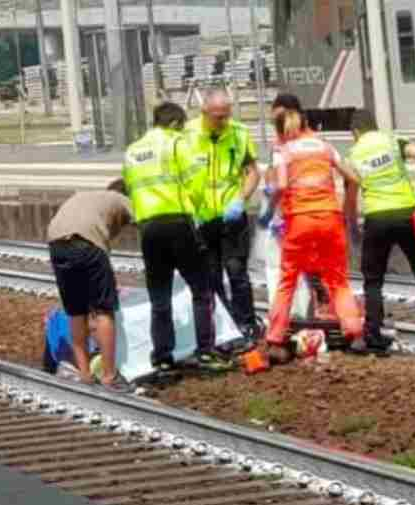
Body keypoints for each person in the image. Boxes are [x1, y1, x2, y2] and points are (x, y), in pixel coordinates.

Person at [122, 101, 228, 378]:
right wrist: (202, 214)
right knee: (201, 289)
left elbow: (131, 188)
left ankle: (163, 358)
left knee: (160, 297)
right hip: (178, 224)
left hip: (148, 228)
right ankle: (205, 350)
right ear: (174, 124)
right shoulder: (176, 144)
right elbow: (196, 182)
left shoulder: (132, 151)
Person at [259, 108, 364, 363]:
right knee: (337, 279)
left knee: (288, 280)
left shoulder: (284, 152)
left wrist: (270, 209)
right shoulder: (325, 147)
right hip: (330, 218)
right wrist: (348, 208)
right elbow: (353, 178)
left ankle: (274, 338)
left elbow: (282, 185)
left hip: (299, 221)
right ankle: (354, 334)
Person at [347, 110, 415, 354]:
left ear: (356, 132)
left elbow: (350, 194)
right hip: (406, 213)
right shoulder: (393, 140)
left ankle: (373, 329)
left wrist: (352, 224)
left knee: (373, 279)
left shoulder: (353, 154)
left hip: (377, 218)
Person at [184, 89, 261, 342]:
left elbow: (252, 172)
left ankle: (247, 323)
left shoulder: (238, 133)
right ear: (203, 112)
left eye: (225, 116)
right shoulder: (188, 135)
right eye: (217, 117)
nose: (222, 122)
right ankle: (224, 325)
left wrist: (241, 199)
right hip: (203, 217)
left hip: (231, 216)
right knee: (211, 275)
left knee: (237, 271)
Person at [45, 179, 135, 393]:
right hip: (86, 243)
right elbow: (149, 223)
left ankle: (84, 374)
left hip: (56, 243)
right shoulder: (122, 199)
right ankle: (109, 376)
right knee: (103, 310)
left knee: (77, 311)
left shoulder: (88, 197)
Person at [268, 93, 329, 310]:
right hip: (312, 210)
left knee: (296, 269)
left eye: (279, 119)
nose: (276, 125)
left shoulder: (297, 142)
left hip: (298, 210)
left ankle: (306, 312)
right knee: (306, 265)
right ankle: (312, 306)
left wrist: (271, 209)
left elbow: (282, 179)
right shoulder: (314, 140)